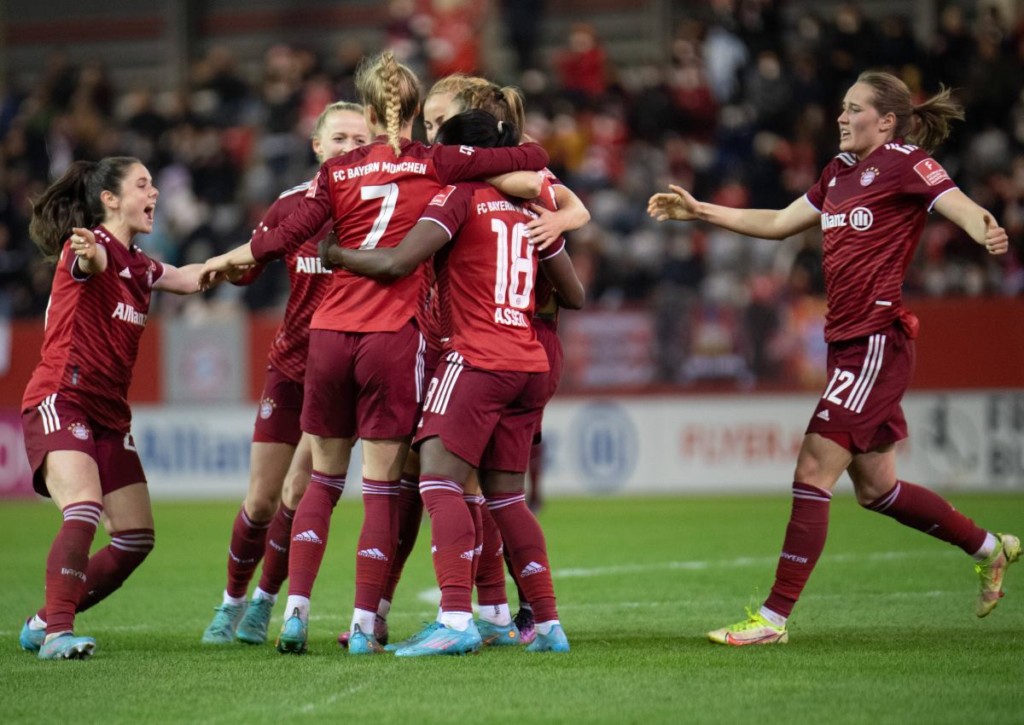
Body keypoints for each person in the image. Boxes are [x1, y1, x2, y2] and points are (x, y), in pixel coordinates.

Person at [648, 70, 1018, 646]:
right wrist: (702, 212)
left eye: (854, 109)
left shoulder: (905, 161)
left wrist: (982, 227)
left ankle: (772, 620)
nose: (841, 117)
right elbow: (778, 223)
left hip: (875, 340)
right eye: (842, 107)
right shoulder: (838, 172)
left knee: (813, 469)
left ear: (887, 121)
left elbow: (955, 202)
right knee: (877, 489)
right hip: (845, 341)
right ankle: (989, 547)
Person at [199, 50, 550, 656]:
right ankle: (367, 624)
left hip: (328, 335)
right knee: (388, 487)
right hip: (394, 337)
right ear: (417, 112)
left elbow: (284, 236)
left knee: (318, 481)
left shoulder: (337, 172)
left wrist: (226, 259)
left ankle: (293, 615)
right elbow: (532, 160)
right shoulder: (438, 163)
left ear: (368, 113)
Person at [321, 109, 584, 656]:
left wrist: (336, 254)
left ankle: (457, 620)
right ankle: (549, 625)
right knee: (508, 498)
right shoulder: (533, 207)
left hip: (475, 358)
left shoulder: (460, 196)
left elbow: (397, 263)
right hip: (528, 363)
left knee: (437, 483)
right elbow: (575, 295)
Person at [18, 157, 209, 660]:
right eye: (143, 185)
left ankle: (42, 620)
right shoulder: (88, 247)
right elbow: (92, 263)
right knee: (83, 508)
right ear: (110, 199)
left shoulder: (141, 265)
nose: (154, 194)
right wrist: (87, 253)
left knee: (135, 538)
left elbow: (189, 278)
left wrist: (253, 254)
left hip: (109, 414)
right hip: (63, 398)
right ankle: (58, 635)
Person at [200, 102, 370, 646]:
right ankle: (231, 602)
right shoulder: (293, 205)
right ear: (317, 146)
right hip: (291, 368)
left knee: (298, 492)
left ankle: (263, 604)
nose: (350, 148)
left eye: (360, 140)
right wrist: (226, 267)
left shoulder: (381, 205)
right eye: (339, 138)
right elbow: (250, 268)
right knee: (261, 500)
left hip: (341, 372)